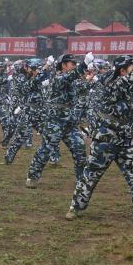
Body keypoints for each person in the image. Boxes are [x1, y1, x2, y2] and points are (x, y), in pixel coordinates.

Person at [67, 52, 133, 224]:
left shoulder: (128, 85)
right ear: (122, 71)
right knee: (91, 174)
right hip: (106, 139)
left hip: (125, 139)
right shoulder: (112, 83)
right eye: (131, 66)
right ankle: (76, 207)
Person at [25, 54, 89, 188]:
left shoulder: (71, 79)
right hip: (55, 121)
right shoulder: (58, 77)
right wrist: (84, 64)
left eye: (75, 63)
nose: (75, 65)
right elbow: (69, 77)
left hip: (70, 122)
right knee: (46, 150)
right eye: (72, 63)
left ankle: (81, 180)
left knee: (80, 150)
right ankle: (32, 177)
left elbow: (80, 87)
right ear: (64, 65)